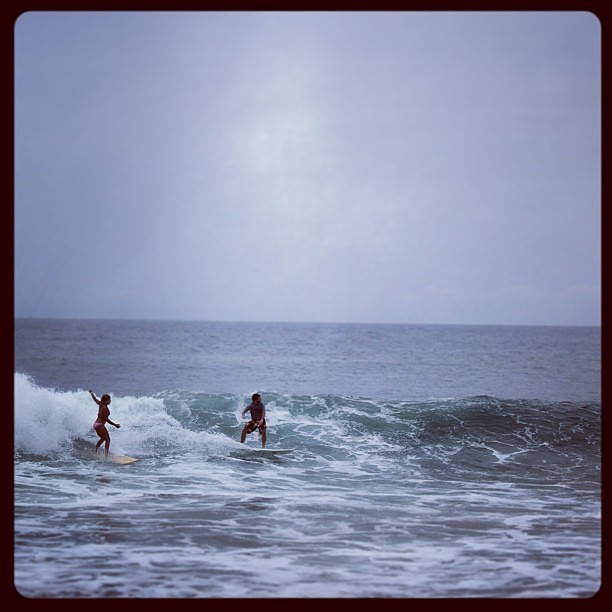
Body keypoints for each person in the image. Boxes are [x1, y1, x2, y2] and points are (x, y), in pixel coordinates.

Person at [89, 389, 120, 456]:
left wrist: (91, 393)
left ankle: (95, 451)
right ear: (106, 400)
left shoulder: (100, 404)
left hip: (95, 424)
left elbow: (94, 399)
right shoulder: (105, 408)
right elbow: (106, 419)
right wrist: (115, 425)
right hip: (100, 425)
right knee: (108, 440)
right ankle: (106, 456)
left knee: (103, 438)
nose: (110, 401)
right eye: (109, 399)